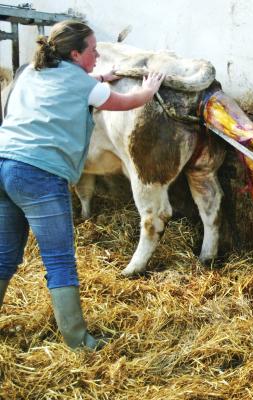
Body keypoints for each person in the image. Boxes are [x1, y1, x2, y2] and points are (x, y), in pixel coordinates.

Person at [0, 20, 165, 350]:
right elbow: (125, 102)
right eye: (93, 50)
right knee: (59, 261)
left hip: (4, 166)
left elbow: (78, 84)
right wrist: (148, 91)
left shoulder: (30, 71)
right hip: (40, 175)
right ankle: (79, 342)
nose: (97, 55)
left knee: (4, 257)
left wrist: (102, 77)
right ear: (75, 54)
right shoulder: (81, 83)